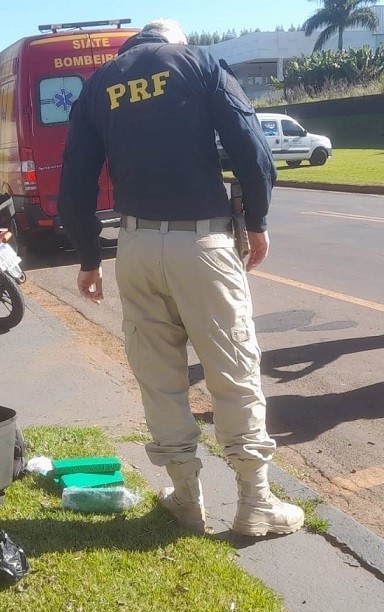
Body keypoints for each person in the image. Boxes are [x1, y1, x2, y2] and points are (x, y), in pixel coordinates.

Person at [57, 18, 304, 536]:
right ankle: (255, 501)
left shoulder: (99, 85)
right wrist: (257, 220)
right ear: (176, 41)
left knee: (158, 373)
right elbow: (251, 147)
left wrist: (86, 258)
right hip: (203, 242)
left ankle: (187, 498)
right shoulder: (202, 63)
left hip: (135, 246)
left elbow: (75, 182)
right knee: (233, 366)